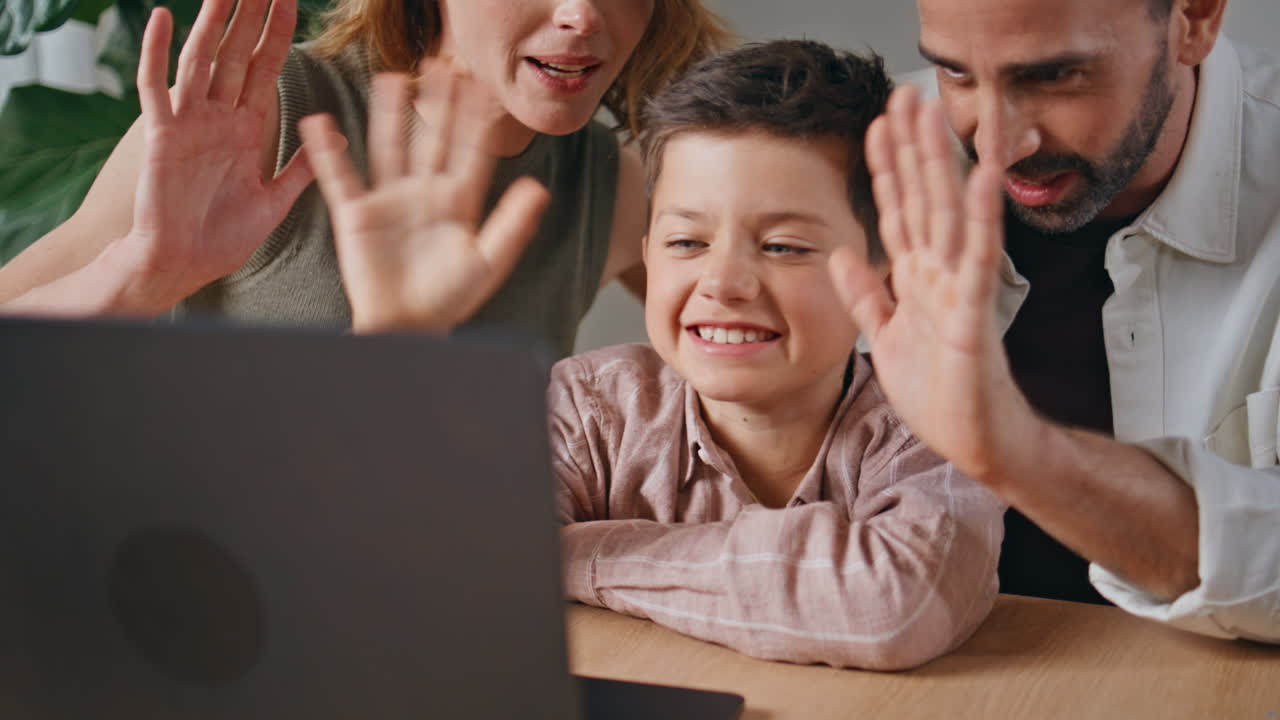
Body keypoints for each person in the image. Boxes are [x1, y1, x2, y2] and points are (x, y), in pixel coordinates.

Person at [330, 38, 1007, 670]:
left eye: (784, 247)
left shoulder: (936, 423)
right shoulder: (594, 406)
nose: (723, 284)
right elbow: (435, 557)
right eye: (687, 242)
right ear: (648, 251)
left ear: (887, 272)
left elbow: (894, 607)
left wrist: (568, 556)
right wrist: (400, 348)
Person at [828, 0, 1280, 641]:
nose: (996, 146)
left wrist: (1023, 454)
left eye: (1053, 76)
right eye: (955, 74)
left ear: (1196, 19)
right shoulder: (857, 153)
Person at [0, 0, 730, 358]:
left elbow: (760, 362)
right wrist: (143, 272)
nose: (582, 16)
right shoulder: (259, 116)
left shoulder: (616, 185)